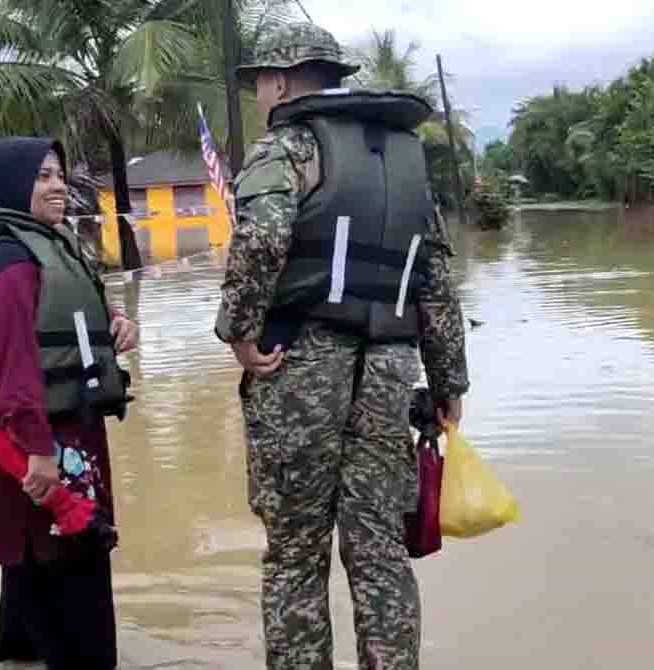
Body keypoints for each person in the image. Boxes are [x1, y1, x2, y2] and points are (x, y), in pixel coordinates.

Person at [214, 23, 470, 670]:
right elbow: (436, 280)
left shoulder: (288, 146)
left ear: (278, 80)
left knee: (296, 551)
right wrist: (449, 385)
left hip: (300, 364)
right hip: (389, 367)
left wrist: (240, 332)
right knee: (379, 546)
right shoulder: (407, 160)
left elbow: (262, 242)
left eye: (259, 86)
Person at [0, 138, 139, 668]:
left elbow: (72, 315)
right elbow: (15, 371)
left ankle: (17, 654)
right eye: (42, 176)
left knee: (29, 569)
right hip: (34, 446)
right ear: (9, 184)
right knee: (69, 569)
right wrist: (39, 453)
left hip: (63, 434)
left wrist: (115, 323)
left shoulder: (47, 247)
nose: (57, 187)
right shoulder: (7, 263)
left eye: (59, 175)